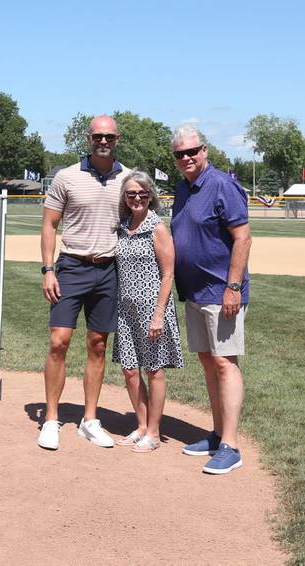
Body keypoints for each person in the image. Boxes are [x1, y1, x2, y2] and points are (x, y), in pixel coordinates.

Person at [38, 115, 131, 450]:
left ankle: (89, 419)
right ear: (88, 138)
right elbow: (49, 225)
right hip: (72, 267)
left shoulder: (127, 178)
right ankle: (50, 418)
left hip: (109, 270)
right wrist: (48, 269)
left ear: (117, 138)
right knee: (59, 341)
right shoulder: (67, 177)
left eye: (108, 136)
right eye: (97, 136)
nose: (103, 141)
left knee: (98, 344)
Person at [170, 126, 252, 475]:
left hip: (222, 292)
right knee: (207, 360)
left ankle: (231, 445)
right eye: (180, 154)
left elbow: (243, 238)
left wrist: (233, 287)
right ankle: (218, 433)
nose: (187, 158)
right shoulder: (183, 189)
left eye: (193, 151)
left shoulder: (221, 185)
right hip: (194, 292)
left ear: (205, 150)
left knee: (224, 362)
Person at [112, 171, 184, 453]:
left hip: (152, 309)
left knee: (153, 370)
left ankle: (154, 432)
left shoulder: (157, 227)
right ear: (125, 197)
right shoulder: (123, 226)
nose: (137, 198)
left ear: (151, 195)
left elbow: (168, 274)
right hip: (126, 309)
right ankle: (141, 425)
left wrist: (159, 314)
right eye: (131, 194)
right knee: (130, 369)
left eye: (142, 193)